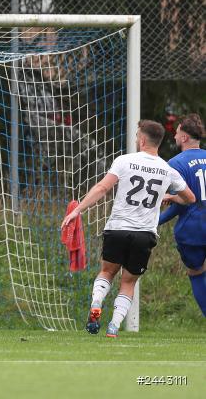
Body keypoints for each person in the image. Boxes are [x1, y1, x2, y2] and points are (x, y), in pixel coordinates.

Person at [61, 120, 195, 337]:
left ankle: (97, 302)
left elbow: (103, 187)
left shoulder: (124, 161)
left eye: (136, 136)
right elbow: (190, 198)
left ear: (142, 139)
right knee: (128, 282)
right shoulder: (166, 169)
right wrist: (169, 195)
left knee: (106, 272)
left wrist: (78, 211)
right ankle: (114, 325)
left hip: (117, 229)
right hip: (145, 234)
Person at [159, 113, 206, 316]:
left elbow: (181, 204)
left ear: (185, 137)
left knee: (196, 272)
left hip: (192, 229)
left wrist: (156, 221)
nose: (175, 136)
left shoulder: (175, 163)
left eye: (177, 132)